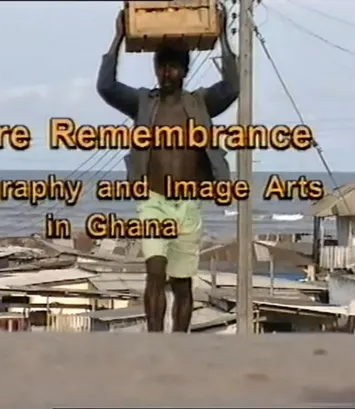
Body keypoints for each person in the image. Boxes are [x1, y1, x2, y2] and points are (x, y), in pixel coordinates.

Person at [96, 8, 238, 332]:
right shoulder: (144, 103)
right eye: (161, 66)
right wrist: (118, 36)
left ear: (184, 71)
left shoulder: (201, 103)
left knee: (182, 284)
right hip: (153, 202)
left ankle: (179, 344)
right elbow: (105, 87)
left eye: (173, 66)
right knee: (155, 271)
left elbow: (232, 86)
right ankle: (155, 342)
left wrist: (224, 37)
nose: (166, 72)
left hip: (187, 205)